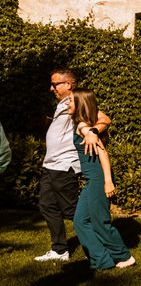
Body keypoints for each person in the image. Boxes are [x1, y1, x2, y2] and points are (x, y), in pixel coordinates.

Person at [35, 69, 110, 262]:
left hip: (64, 166)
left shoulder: (75, 102)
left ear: (68, 85)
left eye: (55, 84)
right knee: (46, 205)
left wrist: (93, 132)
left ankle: (101, 244)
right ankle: (60, 250)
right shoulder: (63, 104)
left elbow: (104, 119)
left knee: (73, 211)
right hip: (51, 165)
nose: (51, 88)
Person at [68, 89, 135, 270]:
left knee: (100, 221)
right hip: (92, 178)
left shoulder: (84, 127)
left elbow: (103, 153)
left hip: (99, 178)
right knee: (80, 221)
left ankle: (124, 256)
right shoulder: (81, 123)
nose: (67, 104)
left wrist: (108, 181)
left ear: (80, 105)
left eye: (71, 102)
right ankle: (101, 260)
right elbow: (104, 118)